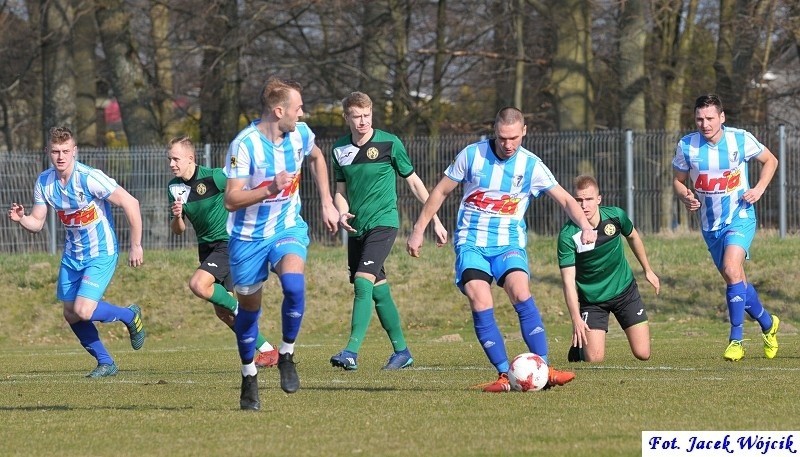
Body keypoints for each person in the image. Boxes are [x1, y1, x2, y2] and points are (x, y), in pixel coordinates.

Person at [407, 107, 597, 392]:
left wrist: (584, 225)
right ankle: (504, 375)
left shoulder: (531, 165)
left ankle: (543, 370)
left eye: (513, 138)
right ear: (494, 131)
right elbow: (441, 191)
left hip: (508, 243)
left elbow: (566, 200)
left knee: (521, 292)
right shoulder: (472, 156)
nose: (507, 145)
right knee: (480, 299)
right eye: (502, 138)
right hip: (471, 243)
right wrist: (419, 229)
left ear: (524, 131)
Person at [224, 76, 338, 410]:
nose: (302, 114)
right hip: (247, 239)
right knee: (249, 311)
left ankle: (287, 354)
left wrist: (327, 201)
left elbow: (317, 157)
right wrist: (270, 188)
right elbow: (231, 199)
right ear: (278, 111)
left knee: (294, 285)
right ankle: (248, 376)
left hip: (286, 227)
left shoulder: (300, 135)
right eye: (298, 108)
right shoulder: (244, 145)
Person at [7, 126, 146, 378]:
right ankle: (105, 362)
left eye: (65, 151)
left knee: (83, 310)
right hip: (73, 255)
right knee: (71, 314)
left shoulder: (89, 177)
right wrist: (22, 219)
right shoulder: (45, 182)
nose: (61, 156)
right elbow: (37, 224)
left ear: (75, 151)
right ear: (48, 152)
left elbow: (130, 202)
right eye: (55, 151)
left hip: (101, 251)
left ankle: (129, 315)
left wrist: (135, 245)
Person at [328, 92, 448, 371]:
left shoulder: (389, 143)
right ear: (346, 117)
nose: (362, 121)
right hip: (357, 227)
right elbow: (339, 191)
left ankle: (351, 351)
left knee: (362, 281)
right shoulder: (339, 150)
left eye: (367, 115)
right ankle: (402, 352)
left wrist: (436, 220)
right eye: (356, 116)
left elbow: (415, 184)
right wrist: (342, 210)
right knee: (378, 290)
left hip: (384, 223)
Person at [673, 94, 780, 362]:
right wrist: (686, 195)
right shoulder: (687, 146)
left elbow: (771, 161)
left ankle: (736, 340)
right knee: (737, 281)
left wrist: (758, 189)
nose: (704, 124)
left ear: (722, 117)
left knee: (733, 270)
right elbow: (678, 180)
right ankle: (768, 324)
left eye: (710, 118)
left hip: (740, 216)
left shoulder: (740, 139)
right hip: (710, 226)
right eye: (699, 118)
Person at [167, 136, 278, 368]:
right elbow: (178, 231)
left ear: (190, 158)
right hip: (206, 248)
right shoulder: (174, 187)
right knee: (224, 313)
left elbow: (242, 186)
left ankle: (242, 309)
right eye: (169, 159)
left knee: (198, 285)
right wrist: (177, 215)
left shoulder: (214, 176)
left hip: (228, 243)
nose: (172, 164)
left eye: (176, 159)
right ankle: (268, 351)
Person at [557, 175, 659, 363]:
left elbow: (633, 237)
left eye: (588, 199)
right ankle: (579, 350)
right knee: (594, 359)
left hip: (625, 292)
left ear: (599, 199)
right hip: (592, 300)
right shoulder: (568, 235)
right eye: (578, 200)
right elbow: (568, 281)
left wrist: (648, 270)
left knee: (643, 353)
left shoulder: (615, 216)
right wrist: (575, 319)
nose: (583, 205)